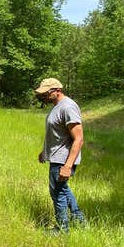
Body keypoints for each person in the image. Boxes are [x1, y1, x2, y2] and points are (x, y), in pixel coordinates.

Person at [35, 78, 85, 232]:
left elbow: (79, 139)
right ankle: (79, 220)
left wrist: (68, 165)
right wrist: (45, 151)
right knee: (63, 190)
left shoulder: (68, 107)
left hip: (63, 159)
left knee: (57, 192)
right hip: (56, 156)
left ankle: (62, 229)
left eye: (46, 93)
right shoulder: (57, 106)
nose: (43, 96)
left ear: (57, 90)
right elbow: (57, 134)